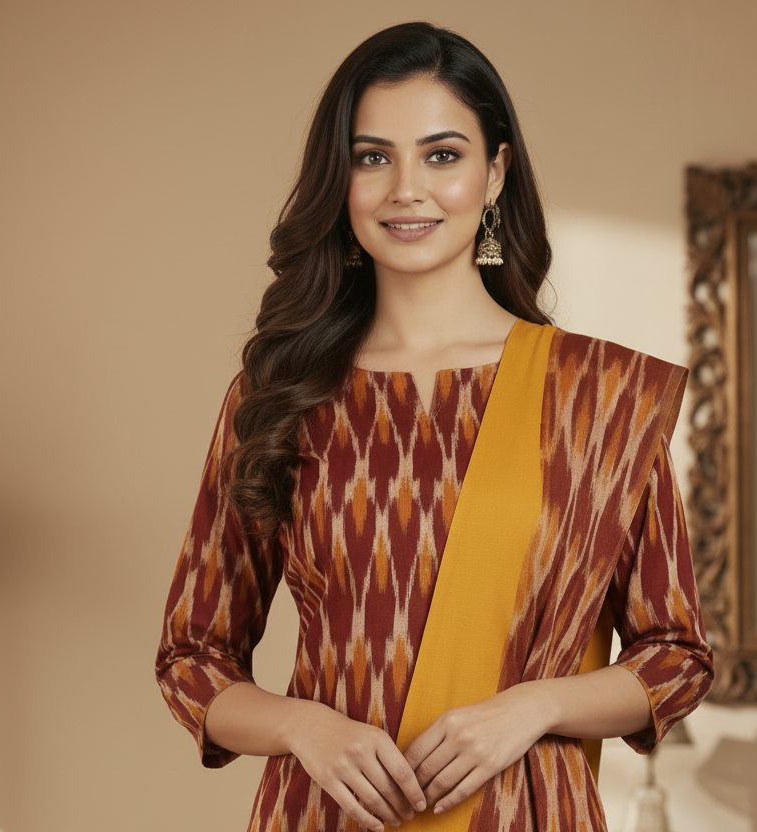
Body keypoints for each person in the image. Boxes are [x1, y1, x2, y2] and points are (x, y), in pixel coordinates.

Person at [155, 21, 713, 832]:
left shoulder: (599, 396)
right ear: (339, 181)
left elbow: (676, 656)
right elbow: (190, 659)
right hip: (328, 816)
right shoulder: (280, 393)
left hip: (528, 813)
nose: (404, 188)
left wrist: (536, 706)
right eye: (372, 156)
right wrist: (301, 724)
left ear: (496, 174)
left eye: (442, 155)